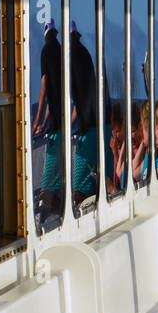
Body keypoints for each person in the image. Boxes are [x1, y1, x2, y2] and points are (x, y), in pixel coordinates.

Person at [31, 19, 64, 222]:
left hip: (55, 117)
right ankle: (55, 206)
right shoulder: (60, 50)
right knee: (56, 166)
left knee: (49, 168)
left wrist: (37, 120)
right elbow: (56, 88)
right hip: (60, 114)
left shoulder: (46, 51)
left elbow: (45, 86)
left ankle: (46, 206)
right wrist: (45, 120)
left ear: (45, 34)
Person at [70, 21, 98, 207]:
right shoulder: (85, 55)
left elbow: (80, 97)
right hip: (93, 127)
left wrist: (75, 124)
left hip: (87, 130)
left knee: (79, 189)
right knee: (86, 185)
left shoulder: (74, 57)